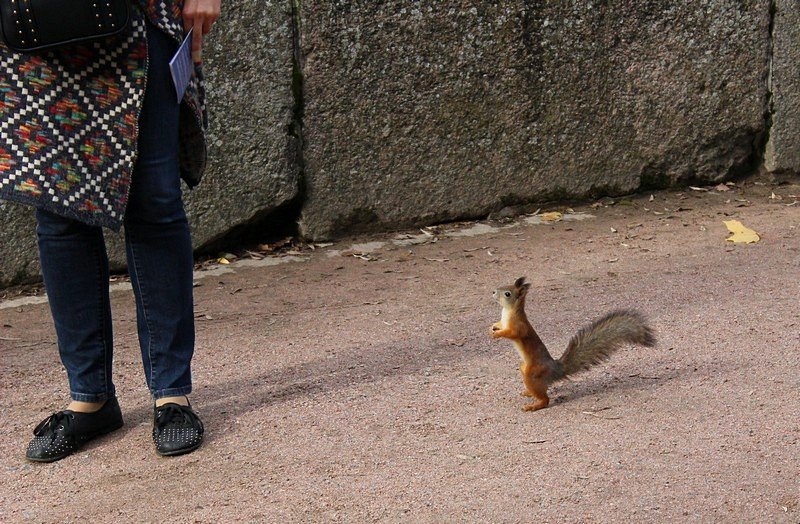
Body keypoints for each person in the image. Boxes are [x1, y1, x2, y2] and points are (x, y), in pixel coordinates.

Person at [0, 0, 221, 461]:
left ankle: (171, 394)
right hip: (35, 29)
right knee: (60, 213)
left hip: (143, 18)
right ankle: (90, 398)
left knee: (155, 203)